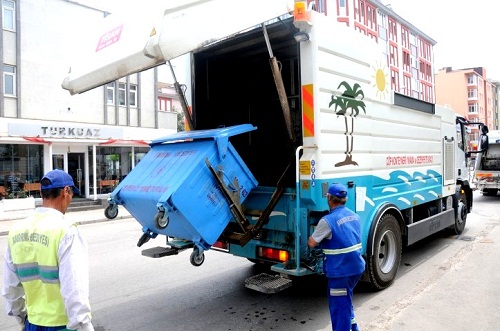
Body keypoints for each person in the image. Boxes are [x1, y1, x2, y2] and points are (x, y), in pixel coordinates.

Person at [2, 169, 94, 331]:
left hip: (33, 322)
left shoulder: (17, 230)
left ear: (41, 192)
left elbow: (11, 288)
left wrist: (22, 318)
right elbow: (74, 289)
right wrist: (84, 326)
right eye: (72, 194)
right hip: (63, 325)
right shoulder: (66, 231)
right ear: (66, 191)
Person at [308, 183, 365, 331]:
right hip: (357, 268)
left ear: (330, 199)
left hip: (341, 272)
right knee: (346, 299)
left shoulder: (327, 221)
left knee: (339, 309)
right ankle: (355, 328)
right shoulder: (355, 216)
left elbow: (312, 243)